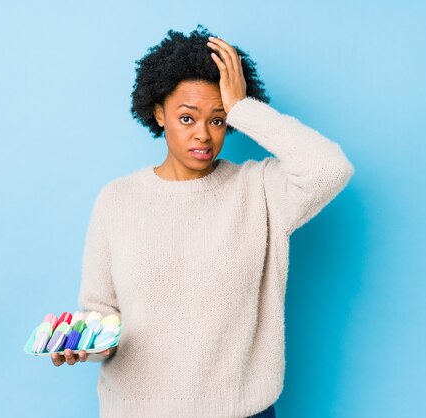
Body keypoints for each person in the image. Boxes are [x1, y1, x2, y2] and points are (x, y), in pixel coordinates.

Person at [51, 24, 355, 418]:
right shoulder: (118, 200)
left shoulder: (260, 190)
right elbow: (101, 310)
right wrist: (87, 344)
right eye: (187, 118)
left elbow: (329, 168)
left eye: (217, 120)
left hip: (241, 411)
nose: (203, 135)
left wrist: (244, 108)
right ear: (159, 113)